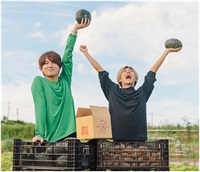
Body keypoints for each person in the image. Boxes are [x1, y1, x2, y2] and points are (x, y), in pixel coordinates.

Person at [79, 44, 181, 141]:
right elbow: (99, 70)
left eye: (131, 71)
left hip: (139, 141)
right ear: (119, 79)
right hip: (116, 141)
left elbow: (153, 72)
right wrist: (86, 53)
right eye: (124, 71)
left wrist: (166, 51)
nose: (128, 72)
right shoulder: (112, 90)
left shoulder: (143, 92)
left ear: (135, 78)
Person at [31, 18, 90, 143]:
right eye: (46, 63)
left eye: (54, 62)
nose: (50, 65)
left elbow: (68, 55)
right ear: (41, 68)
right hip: (51, 138)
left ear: (59, 67)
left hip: (71, 135)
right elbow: (40, 107)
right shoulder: (39, 82)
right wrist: (39, 134)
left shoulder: (65, 80)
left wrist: (74, 31)